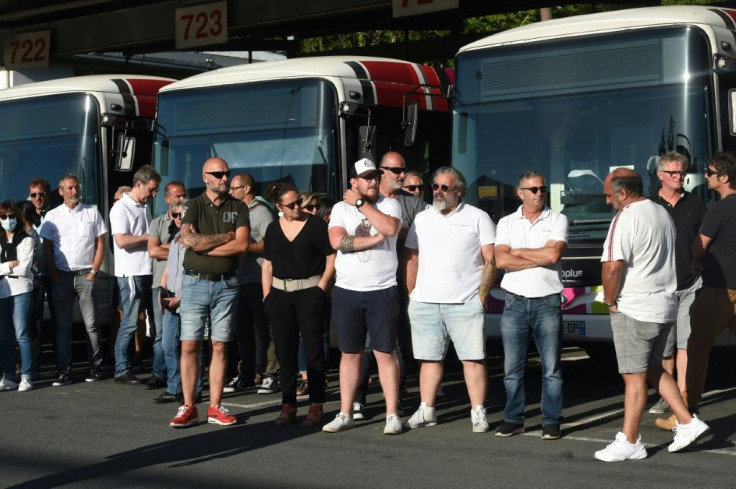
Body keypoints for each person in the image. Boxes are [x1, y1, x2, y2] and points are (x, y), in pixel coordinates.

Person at [594, 168, 709, 462]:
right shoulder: (661, 214)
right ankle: (687, 421)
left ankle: (630, 440)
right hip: (665, 305)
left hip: (635, 307)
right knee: (655, 368)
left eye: (609, 195)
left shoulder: (626, 217)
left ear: (622, 193)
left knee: (633, 377)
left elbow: (611, 267)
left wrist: (609, 300)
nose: (608, 202)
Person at [403, 166, 496, 433]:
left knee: (473, 359)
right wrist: (411, 294)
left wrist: (481, 296)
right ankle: (426, 409)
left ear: (460, 191)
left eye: (445, 187)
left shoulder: (477, 217)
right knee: (428, 359)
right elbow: (411, 257)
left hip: (465, 301)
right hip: (425, 302)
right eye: (436, 186)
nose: (438, 192)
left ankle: (478, 411)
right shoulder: (422, 218)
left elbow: (491, 259)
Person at [322, 158, 403, 435]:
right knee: (350, 354)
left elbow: (391, 228)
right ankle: (345, 412)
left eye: (374, 176)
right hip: (347, 290)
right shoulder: (338, 208)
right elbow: (337, 242)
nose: (372, 181)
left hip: (382, 289)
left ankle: (392, 414)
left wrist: (360, 204)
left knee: (384, 353)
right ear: (353, 183)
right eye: (365, 177)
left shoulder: (388, 203)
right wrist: (374, 239)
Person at [168, 157, 249, 428]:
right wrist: (225, 237)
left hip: (226, 284)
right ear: (205, 177)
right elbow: (188, 239)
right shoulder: (192, 206)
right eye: (218, 174)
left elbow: (242, 245)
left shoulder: (238, 206)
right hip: (194, 283)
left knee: (220, 345)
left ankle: (215, 407)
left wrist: (204, 245)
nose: (224, 178)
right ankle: (189, 406)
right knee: (189, 344)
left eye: (226, 173)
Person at [493, 171, 567, 440]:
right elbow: (500, 261)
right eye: (533, 189)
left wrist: (519, 251)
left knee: (552, 368)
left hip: (547, 301)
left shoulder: (558, 219)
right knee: (512, 369)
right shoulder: (506, 222)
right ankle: (513, 418)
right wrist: (540, 256)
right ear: (520, 193)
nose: (539, 193)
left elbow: (554, 254)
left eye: (542, 189)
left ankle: (551, 420)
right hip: (514, 301)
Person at [262, 183, 336, 426]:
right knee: (285, 353)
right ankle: (288, 404)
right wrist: (267, 296)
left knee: (313, 351)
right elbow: (268, 263)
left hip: (310, 293)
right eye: (291, 204)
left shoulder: (316, 225)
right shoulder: (273, 229)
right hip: (280, 295)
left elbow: (331, 255)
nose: (298, 207)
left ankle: (316, 405)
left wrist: (322, 286)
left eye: (299, 202)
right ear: (278, 206)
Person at [649, 152, 706, 429]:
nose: (679, 176)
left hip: (689, 284)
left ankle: (681, 397)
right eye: (673, 173)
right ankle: (665, 396)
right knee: (665, 346)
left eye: (682, 173)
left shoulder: (695, 203)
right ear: (660, 175)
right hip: (660, 287)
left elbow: (705, 240)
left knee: (685, 343)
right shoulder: (649, 205)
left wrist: (698, 263)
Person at [40, 174, 108, 386]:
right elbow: (47, 249)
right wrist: (54, 274)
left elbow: (101, 244)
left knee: (91, 325)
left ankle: (95, 367)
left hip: (85, 274)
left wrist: (94, 272)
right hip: (61, 276)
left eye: (76, 188)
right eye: (69, 188)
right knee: (63, 327)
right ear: (61, 191)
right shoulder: (52, 216)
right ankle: (64, 372)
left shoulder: (92, 212)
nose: (74, 191)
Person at [685, 153, 736, 416]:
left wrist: (695, 258)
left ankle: (688, 410)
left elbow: (699, 246)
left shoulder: (718, 208)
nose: (706, 175)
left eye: (710, 172)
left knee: (698, 346)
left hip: (719, 289)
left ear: (724, 178)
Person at [224, 173, 275, 393]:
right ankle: (246, 373)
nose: (229, 192)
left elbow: (272, 244)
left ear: (246, 189)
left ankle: (269, 374)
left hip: (258, 279)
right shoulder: (234, 213)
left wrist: (243, 246)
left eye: (233, 189)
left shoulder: (261, 212)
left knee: (264, 330)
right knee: (242, 331)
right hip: (238, 279)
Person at [110, 165, 160, 385]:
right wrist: (149, 237)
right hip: (131, 272)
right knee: (130, 323)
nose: (154, 194)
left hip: (150, 271)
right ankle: (121, 369)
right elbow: (121, 241)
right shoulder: (120, 208)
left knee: (156, 322)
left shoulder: (143, 206)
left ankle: (159, 369)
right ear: (139, 184)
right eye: (152, 189)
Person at [155, 200, 205, 404]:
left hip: (190, 299)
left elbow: (199, 271)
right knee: (168, 344)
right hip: (171, 298)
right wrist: (161, 290)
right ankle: (175, 387)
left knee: (191, 345)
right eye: (174, 215)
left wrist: (181, 298)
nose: (178, 219)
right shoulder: (175, 240)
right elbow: (169, 269)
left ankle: (195, 389)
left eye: (182, 215)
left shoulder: (196, 241)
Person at [147, 181, 187, 391]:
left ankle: (182, 382)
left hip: (184, 284)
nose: (180, 199)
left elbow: (190, 249)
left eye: (183, 195)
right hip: (160, 284)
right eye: (176, 196)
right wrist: (175, 249)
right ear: (167, 199)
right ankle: (159, 373)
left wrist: (169, 249)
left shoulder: (190, 222)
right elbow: (152, 251)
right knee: (162, 335)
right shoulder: (157, 223)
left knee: (185, 337)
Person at [294, 190, 327, 397]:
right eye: (310, 207)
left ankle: (320, 377)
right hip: (296, 288)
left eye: (316, 207)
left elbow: (331, 257)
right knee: (300, 336)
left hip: (319, 284)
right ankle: (306, 378)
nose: (315, 210)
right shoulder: (290, 228)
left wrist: (324, 285)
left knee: (320, 334)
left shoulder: (322, 227)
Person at [0, 201, 35, 391]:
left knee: (21, 333)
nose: (8, 220)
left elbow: (24, 268)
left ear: (18, 217)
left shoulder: (26, 240)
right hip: (3, 292)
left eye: (11, 216)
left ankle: (26, 375)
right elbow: (15, 266)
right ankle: (8, 376)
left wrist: (6, 269)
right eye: (4, 217)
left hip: (21, 289)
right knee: (5, 336)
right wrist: (8, 266)